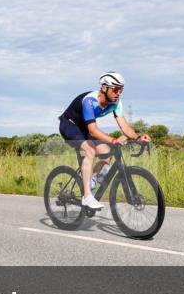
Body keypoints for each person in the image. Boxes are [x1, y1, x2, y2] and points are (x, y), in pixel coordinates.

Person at [59, 72, 150, 210]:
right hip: (69, 124)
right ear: (104, 88)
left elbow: (124, 126)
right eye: (115, 89)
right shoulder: (89, 101)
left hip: (84, 126)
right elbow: (93, 131)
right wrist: (113, 140)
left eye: (121, 90)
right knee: (90, 150)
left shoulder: (116, 103)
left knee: (107, 151)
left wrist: (137, 138)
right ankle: (87, 197)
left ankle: (92, 178)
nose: (118, 93)